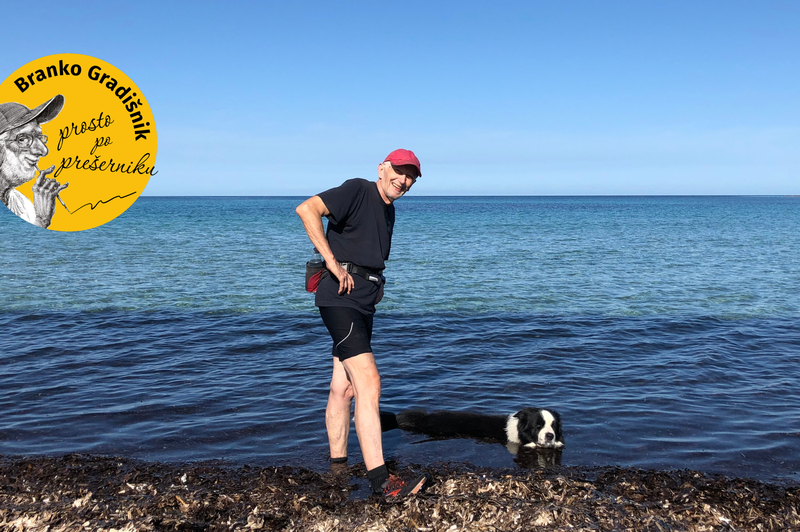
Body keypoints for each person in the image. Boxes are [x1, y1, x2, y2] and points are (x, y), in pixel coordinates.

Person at [296, 149, 429, 498]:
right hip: (340, 298)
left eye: (411, 176)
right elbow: (307, 209)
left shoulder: (389, 211)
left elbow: (370, 257)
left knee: (344, 387)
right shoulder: (358, 189)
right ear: (382, 168)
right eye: (399, 172)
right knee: (369, 382)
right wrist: (333, 263)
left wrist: (375, 286)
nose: (404, 180)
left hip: (362, 304)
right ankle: (382, 482)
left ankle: (338, 469)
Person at [0, 95, 67, 229]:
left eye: (39, 137)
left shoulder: (22, 204)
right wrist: (41, 222)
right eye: (23, 139)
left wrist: (40, 219)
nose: (43, 150)